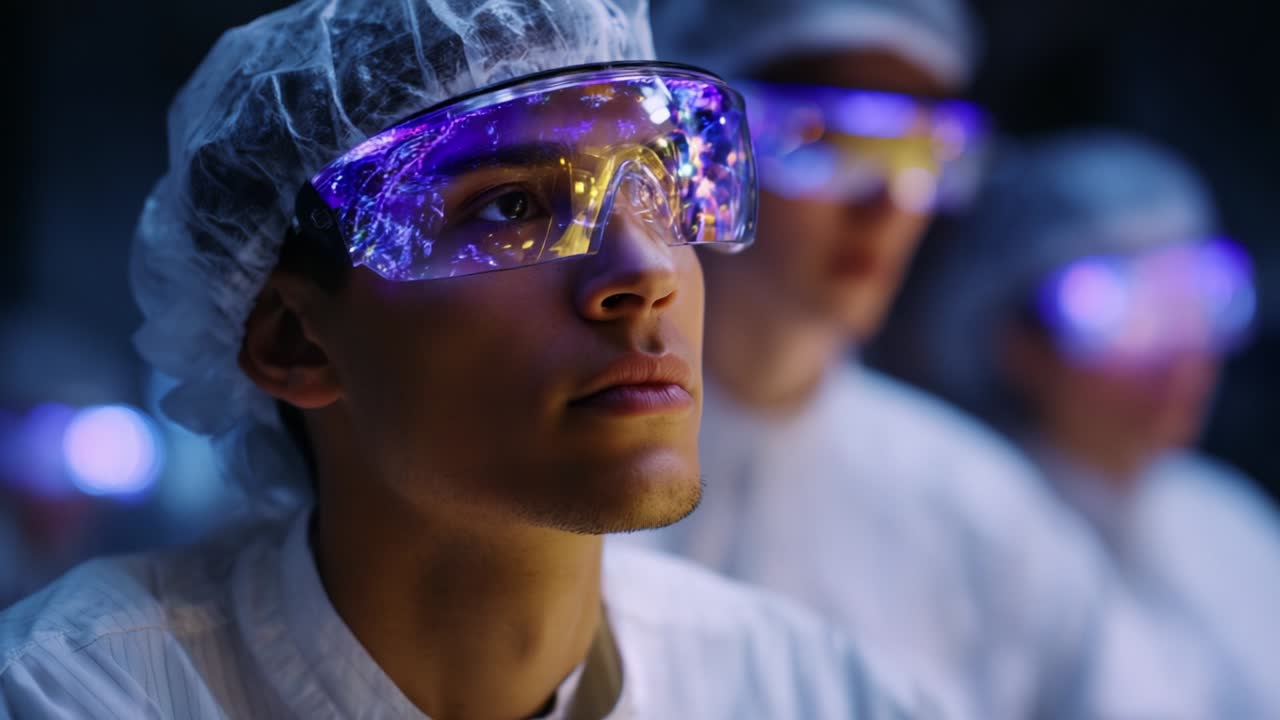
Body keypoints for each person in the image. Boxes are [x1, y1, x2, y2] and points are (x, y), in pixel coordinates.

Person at [0, 1, 916, 718]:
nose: (644, 274)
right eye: (513, 207)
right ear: (293, 338)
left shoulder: (803, 690)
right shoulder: (78, 695)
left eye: (659, 187)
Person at [621, 1, 1229, 717]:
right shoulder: (569, 463)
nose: (886, 203)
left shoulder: (978, 518)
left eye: (922, 152)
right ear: (688, 146)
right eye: (822, 139)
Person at [877, 130, 1280, 717]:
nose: (1179, 349)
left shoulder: (1230, 521)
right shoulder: (972, 537)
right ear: (1013, 343)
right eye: (1120, 309)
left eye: (1196, 294)